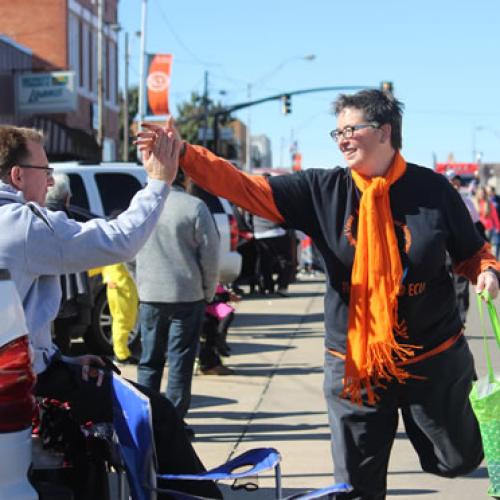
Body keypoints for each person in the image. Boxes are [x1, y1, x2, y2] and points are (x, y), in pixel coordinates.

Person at [136, 90, 499, 500]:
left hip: (431, 356)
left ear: (383, 131)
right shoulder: (322, 190)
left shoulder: (433, 190)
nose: (342, 139)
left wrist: (486, 271)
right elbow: (245, 187)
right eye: (337, 131)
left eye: (351, 129)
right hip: (355, 363)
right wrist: (186, 154)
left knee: (457, 460)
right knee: (356, 488)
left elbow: (473, 253)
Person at [0, 125, 221, 498]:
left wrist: (64, 360)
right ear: (18, 176)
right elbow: (119, 240)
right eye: (45, 170)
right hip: (22, 386)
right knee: (156, 415)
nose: (50, 180)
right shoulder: (19, 223)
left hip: (26, 373)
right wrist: (158, 182)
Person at [136, 167, 220, 429]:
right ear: (185, 177)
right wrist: (208, 290)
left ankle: (145, 419)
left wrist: (140, 279)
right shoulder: (194, 207)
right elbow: (211, 254)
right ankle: (172, 423)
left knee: (149, 361)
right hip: (187, 294)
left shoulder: (141, 204)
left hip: (150, 294)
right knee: (180, 362)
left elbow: (126, 246)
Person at [45, 173, 92, 354]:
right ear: (66, 198)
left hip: (39, 302)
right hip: (65, 302)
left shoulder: (31, 217)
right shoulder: (68, 222)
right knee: (62, 347)